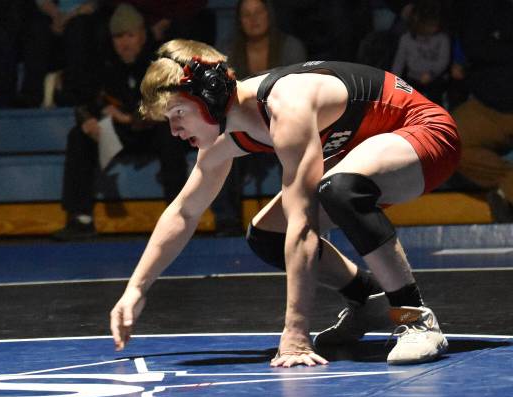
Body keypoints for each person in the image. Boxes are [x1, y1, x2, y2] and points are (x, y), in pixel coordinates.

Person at [109, 39, 459, 368]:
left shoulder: (286, 107)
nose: (173, 130)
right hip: (366, 148)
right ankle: (367, 299)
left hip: (427, 133)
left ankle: (415, 318)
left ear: (209, 95)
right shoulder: (229, 133)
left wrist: (296, 333)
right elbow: (185, 212)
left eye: (177, 113)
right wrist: (135, 289)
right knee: (267, 234)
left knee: (336, 191)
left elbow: (303, 225)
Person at [52, 4, 187, 241]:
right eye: (118, 37)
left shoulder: (159, 62)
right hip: (119, 133)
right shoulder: (103, 61)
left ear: (143, 35)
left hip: (152, 130)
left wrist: (126, 117)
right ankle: (80, 218)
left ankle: (178, 218)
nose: (124, 43)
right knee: (78, 136)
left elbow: (167, 106)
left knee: (171, 135)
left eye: (130, 35)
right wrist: (89, 120)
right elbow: (84, 98)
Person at [210, 0, 306, 235]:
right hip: (244, 124)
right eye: (247, 14)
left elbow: (300, 90)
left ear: (269, 14)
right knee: (219, 144)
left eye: (258, 12)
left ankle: (300, 215)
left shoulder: (290, 46)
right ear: (239, 20)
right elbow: (221, 96)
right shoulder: (227, 49)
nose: (253, 19)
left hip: (284, 122)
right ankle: (226, 220)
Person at [448, 0, 513, 221]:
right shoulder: (481, 7)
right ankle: (509, 184)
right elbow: (474, 46)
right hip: (488, 105)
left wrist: (497, 44)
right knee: (448, 140)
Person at [391, 0, 450, 105]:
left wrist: (431, 74)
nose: (434, 27)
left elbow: (443, 61)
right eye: (430, 24)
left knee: (435, 98)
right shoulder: (406, 39)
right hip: (413, 78)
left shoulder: (442, 39)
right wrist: (393, 81)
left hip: (435, 77)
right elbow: (399, 62)